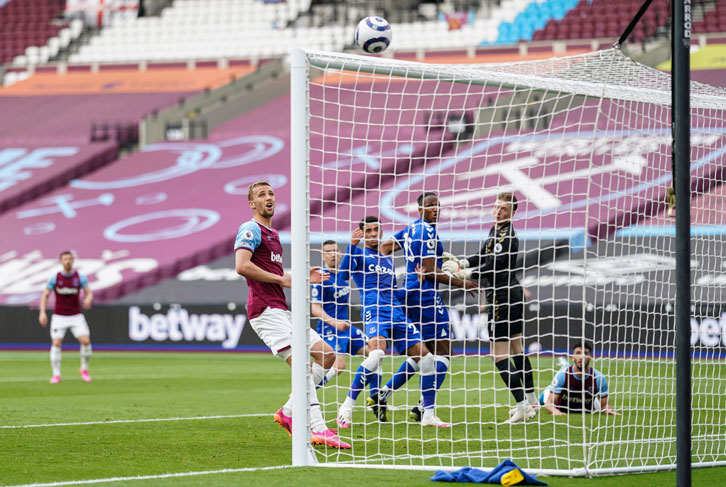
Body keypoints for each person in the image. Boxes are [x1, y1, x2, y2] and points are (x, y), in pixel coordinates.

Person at [235, 181, 350, 449]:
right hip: (264, 311)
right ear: (252, 204)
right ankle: (318, 428)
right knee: (303, 367)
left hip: (281, 310)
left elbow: (278, 276)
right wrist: (284, 279)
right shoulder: (250, 229)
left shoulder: (273, 235)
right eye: (261, 195)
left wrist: (300, 277)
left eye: (271, 193)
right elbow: (241, 266)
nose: (268, 197)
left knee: (327, 355)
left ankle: (288, 412)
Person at [336, 216, 450, 428]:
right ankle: (347, 406)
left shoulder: (387, 259)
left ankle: (428, 415)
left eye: (375, 230)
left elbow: (395, 294)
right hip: (375, 311)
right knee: (377, 354)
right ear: (362, 233)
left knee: (426, 359)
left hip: (396, 313)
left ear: (381, 232)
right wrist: (351, 245)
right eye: (367, 231)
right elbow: (343, 275)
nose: (372, 234)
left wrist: (417, 283)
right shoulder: (359, 254)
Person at [379, 192, 478, 422]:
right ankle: (426, 410)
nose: (436, 209)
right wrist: (461, 283)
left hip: (410, 294)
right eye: (431, 205)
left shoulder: (411, 228)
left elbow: (383, 248)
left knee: (422, 355)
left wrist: (386, 273)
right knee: (444, 352)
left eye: (438, 205)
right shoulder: (428, 231)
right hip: (426, 297)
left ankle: (385, 393)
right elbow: (432, 270)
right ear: (420, 209)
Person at [442, 192, 536, 424]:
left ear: (513, 213)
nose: (497, 212)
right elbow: (483, 255)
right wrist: (462, 262)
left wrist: (466, 273)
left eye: (503, 209)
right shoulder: (496, 231)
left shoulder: (507, 236)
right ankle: (532, 400)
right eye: (495, 207)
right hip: (511, 293)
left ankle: (523, 406)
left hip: (501, 297)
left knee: (497, 354)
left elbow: (493, 266)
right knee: (516, 347)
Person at [311, 240, 375, 389]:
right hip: (330, 328)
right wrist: (334, 322)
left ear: (340, 253)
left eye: (335, 250)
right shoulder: (321, 277)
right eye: (328, 251)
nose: (333, 254)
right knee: (339, 366)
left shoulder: (343, 275)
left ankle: (376, 399)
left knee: (375, 353)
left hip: (346, 327)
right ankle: (307, 392)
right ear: (323, 256)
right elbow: (315, 308)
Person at [38, 251, 94, 384]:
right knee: (56, 343)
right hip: (59, 316)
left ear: (73, 260)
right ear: (61, 261)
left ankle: (84, 369)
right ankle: (56, 374)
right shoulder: (55, 278)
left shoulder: (79, 277)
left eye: (69, 259)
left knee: (85, 341)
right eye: (65, 259)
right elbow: (45, 295)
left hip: (76, 315)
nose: (67, 261)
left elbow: (89, 293)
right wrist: (42, 312)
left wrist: (88, 299)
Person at [540, 341, 620, 416]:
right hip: (562, 405)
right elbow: (549, 404)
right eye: (578, 353)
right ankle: (565, 366)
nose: (581, 357)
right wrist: (556, 411)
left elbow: (605, 405)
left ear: (590, 357)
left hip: (587, 405)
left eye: (585, 354)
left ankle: (565, 364)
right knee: (546, 395)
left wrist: (609, 410)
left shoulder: (599, 378)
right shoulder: (562, 375)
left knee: (598, 407)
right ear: (573, 357)